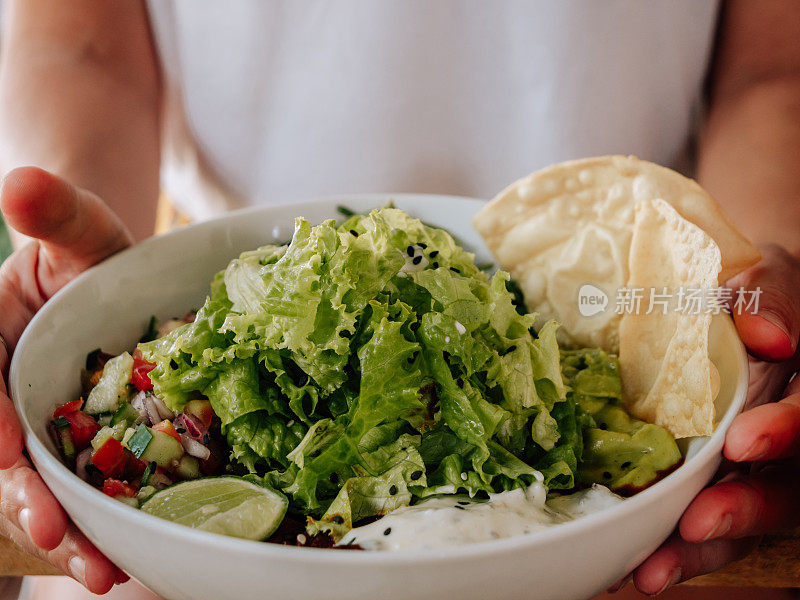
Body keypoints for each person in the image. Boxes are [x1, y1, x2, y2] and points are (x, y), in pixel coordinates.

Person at [1, 1, 799, 597]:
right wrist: (83, 270)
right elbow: (81, 45)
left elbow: (774, 66)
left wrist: (756, 276)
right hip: (157, 556)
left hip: (609, 306)